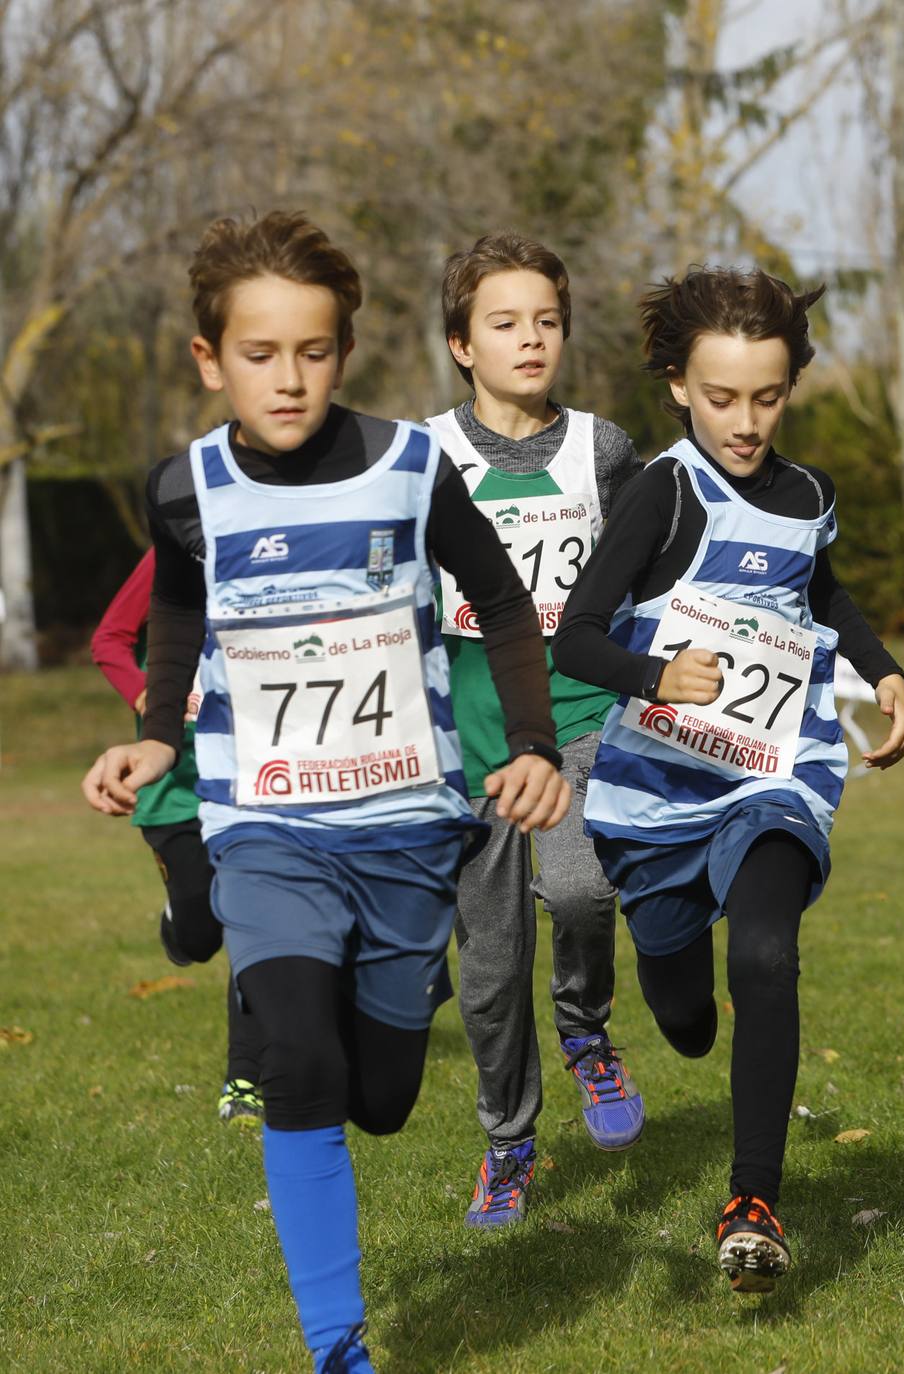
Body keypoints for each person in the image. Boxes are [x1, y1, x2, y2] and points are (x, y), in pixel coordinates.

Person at [81, 211, 571, 1373]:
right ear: (211, 359)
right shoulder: (184, 488)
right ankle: (337, 1349)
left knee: (387, 1098)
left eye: (313, 351)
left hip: (405, 825)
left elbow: (502, 606)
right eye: (259, 354)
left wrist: (538, 746)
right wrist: (158, 737)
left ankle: (390, 996)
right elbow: (179, 616)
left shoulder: (412, 469)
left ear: (344, 349)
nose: (288, 378)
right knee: (296, 1060)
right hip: (264, 824)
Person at [551, 267, 904, 1295]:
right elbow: (576, 637)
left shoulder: (807, 496)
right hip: (658, 794)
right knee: (687, 1017)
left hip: (774, 771)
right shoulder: (661, 492)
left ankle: (752, 1198)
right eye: (721, 398)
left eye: (767, 396)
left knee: (764, 954)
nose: (745, 421)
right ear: (677, 385)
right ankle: (666, 970)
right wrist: (656, 674)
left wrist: (882, 669)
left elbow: (823, 592)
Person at [427, 232, 645, 1227]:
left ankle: (587, 1033)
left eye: (546, 322)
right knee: (489, 967)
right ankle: (508, 1139)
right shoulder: (427, 456)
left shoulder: (602, 451)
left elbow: (650, 576)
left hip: (582, 727)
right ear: (462, 343)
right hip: (470, 752)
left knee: (583, 888)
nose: (530, 341)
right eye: (504, 324)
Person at [90, 550, 265, 1125]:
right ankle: (180, 919)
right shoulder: (176, 549)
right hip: (174, 783)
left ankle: (244, 1079)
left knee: (251, 923)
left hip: (250, 775)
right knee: (199, 937)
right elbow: (110, 639)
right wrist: (150, 698)